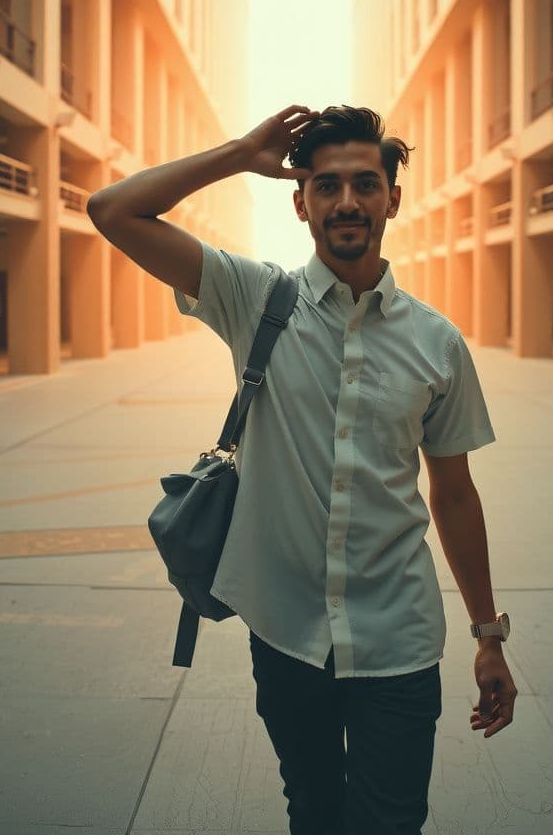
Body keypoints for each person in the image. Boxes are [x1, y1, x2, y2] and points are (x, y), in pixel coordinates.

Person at [87, 103, 517, 835]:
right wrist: (237, 154)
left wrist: (488, 635)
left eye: (365, 183)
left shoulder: (437, 344)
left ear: (392, 198)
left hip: (400, 635)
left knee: (393, 822)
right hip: (287, 633)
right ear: (300, 202)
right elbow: (113, 209)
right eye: (326, 185)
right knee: (313, 813)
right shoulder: (254, 298)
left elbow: (453, 493)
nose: (347, 201)